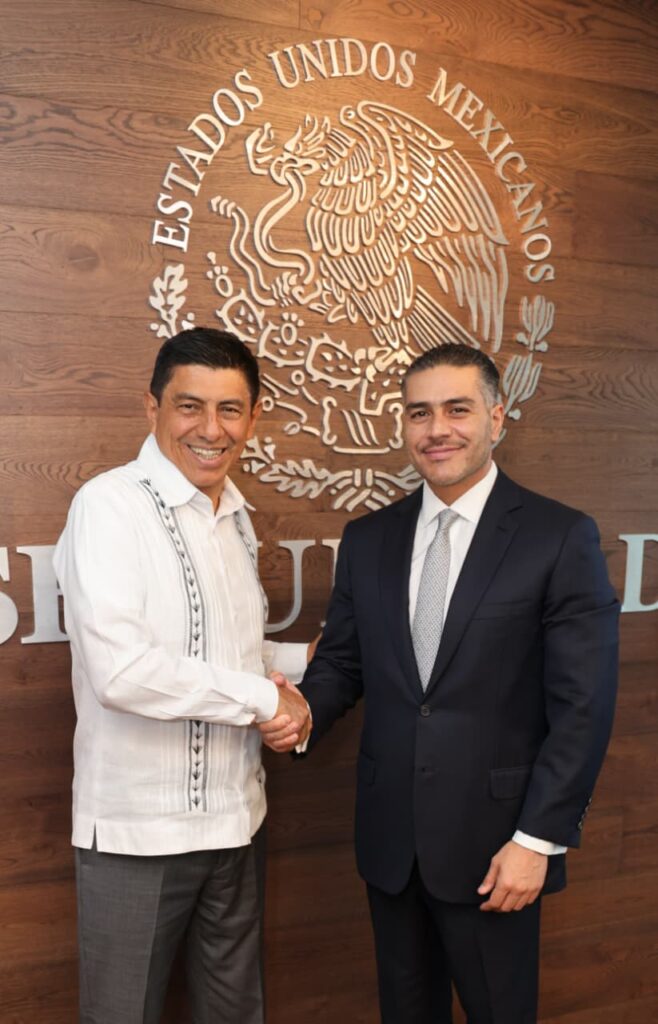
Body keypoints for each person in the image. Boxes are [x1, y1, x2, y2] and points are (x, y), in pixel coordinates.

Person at [260, 345, 619, 1024]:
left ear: (497, 418)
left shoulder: (559, 536)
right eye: (419, 413)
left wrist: (537, 841)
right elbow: (344, 663)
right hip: (391, 848)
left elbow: (584, 707)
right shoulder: (367, 538)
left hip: (498, 850)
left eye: (458, 409)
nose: (437, 429)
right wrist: (303, 714)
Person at [54, 327, 311, 1024]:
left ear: (253, 418)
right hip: (138, 837)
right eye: (189, 406)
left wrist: (301, 670)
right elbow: (122, 671)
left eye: (230, 410)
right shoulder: (108, 505)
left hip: (237, 826)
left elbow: (229, 653)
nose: (210, 429)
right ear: (153, 407)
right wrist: (265, 700)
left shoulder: (235, 516)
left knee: (235, 1014)